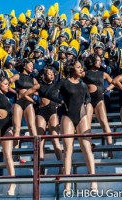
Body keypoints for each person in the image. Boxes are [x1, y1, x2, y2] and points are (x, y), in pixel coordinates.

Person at [46, 59, 97, 194]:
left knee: (87, 148)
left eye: (81, 67)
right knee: (68, 151)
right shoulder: (63, 82)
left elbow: (88, 98)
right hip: (68, 117)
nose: (81, 69)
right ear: (72, 69)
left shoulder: (83, 85)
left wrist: (86, 105)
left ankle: (93, 182)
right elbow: (50, 93)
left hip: (82, 117)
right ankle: (67, 184)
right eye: (79, 67)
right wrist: (61, 101)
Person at [23, 66, 62, 172]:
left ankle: (61, 166)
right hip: (41, 112)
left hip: (53, 112)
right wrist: (35, 102)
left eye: (53, 73)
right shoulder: (39, 86)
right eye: (49, 73)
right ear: (44, 75)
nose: (52, 75)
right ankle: (40, 168)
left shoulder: (57, 85)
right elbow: (25, 94)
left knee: (55, 138)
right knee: (40, 141)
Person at [83, 54, 115, 158]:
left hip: (99, 100)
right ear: (92, 61)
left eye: (100, 60)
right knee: (87, 125)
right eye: (97, 60)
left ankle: (110, 150)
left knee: (104, 123)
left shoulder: (103, 73)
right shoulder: (85, 73)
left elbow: (114, 82)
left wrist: (107, 89)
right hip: (88, 100)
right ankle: (89, 148)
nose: (99, 62)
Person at [9, 59, 38, 157]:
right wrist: (15, 92)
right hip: (19, 102)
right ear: (25, 66)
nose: (32, 67)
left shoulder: (33, 79)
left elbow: (39, 89)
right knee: (16, 128)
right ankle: (15, 154)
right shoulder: (18, 75)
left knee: (32, 127)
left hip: (29, 103)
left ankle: (36, 153)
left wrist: (34, 96)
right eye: (30, 65)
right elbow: (6, 83)